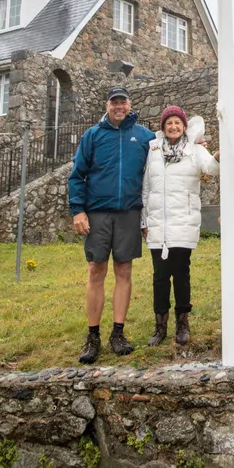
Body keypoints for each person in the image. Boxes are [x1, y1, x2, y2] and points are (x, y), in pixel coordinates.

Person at [68, 86, 156, 364]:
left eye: (124, 102)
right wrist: (77, 210)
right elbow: (77, 175)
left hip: (129, 212)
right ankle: (92, 336)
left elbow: (168, 152)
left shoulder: (143, 136)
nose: (119, 106)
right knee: (96, 271)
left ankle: (118, 333)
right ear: (107, 105)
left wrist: (196, 146)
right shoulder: (92, 136)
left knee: (124, 270)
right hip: (97, 213)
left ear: (130, 105)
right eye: (114, 102)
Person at [142, 105, 219, 347]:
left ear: (184, 126)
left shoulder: (195, 150)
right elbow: (146, 186)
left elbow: (211, 169)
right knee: (160, 277)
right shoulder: (153, 150)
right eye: (169, 123)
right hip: (158, 224)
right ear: (163, 128)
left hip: (183, 221)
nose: (173, 126)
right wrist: (143, 219)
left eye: (177, 122)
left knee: (181, 275)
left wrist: (218, 155)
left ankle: (183, 324)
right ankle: (160, 326)